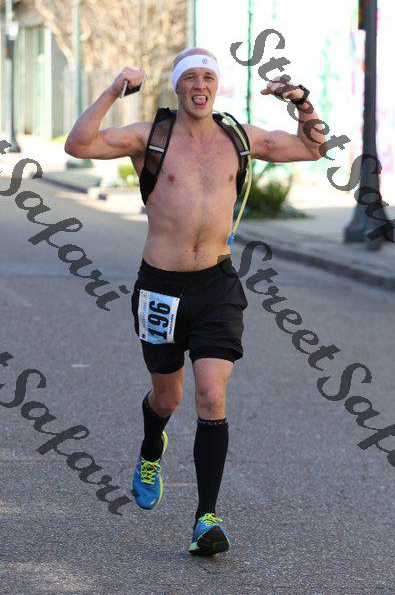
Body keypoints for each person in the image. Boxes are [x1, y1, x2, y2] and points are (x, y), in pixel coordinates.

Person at [64, 46, 325, 556]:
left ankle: (206, 518)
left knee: (210, 393)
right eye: (190, 78)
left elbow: (311, 148)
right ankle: (151, 447)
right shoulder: (151, 137)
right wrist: (115, 89)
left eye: (208, 77)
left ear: (216, 86)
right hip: (160, 288)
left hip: (216, 286)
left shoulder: (238, 138)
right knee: (168, 399)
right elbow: (79, 144)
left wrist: (301, 101)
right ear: (178, 86)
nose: (200, 86)